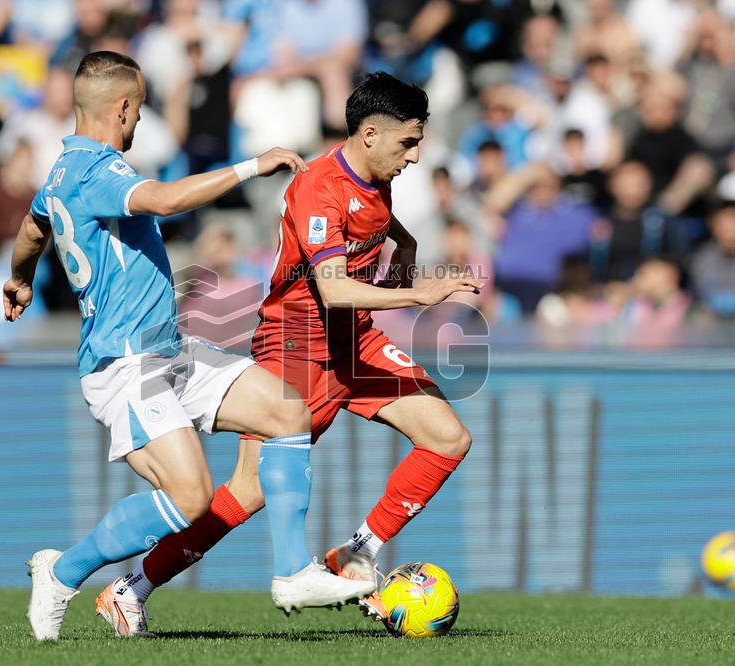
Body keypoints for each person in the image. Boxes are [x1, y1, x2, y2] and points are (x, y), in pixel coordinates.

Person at [3, 51, 374, 641]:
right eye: (140, 109)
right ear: (121, 106)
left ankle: (292, 572)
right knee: (193, 497)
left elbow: (31, 231)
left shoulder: (58, 173)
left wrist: (20, 278)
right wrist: (254, 165)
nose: (140, 122)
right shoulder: (99, 170)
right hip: (124, 364)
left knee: (287, 411)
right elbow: (169, 201)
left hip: (168, 350)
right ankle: (64, 570)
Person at [103, 71, 480, 629]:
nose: (416, 156)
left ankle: (357, 551)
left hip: (354, 340)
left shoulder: (375, 175)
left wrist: (402, 238)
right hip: (297, 347)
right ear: (370, 134)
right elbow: (332, 287)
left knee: (449, 438)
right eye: (408, 142)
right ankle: (130, 586)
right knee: (248, 491)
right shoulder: (317, 187)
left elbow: (368, 220)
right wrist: (419, 292)